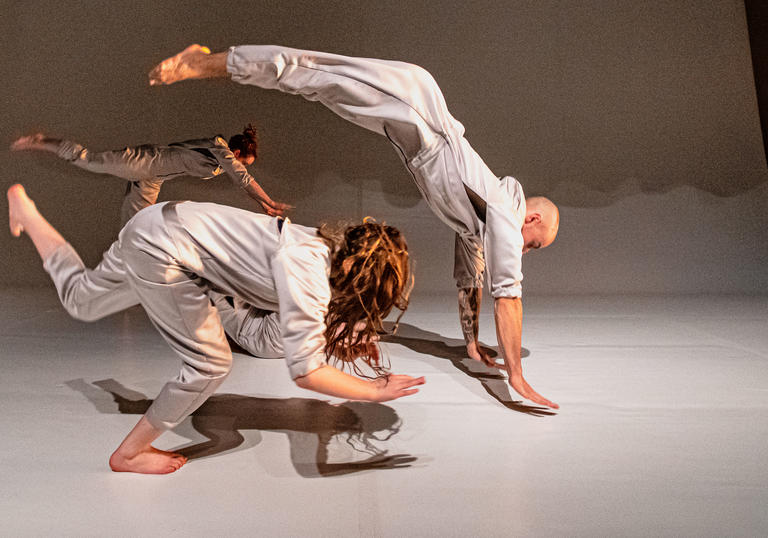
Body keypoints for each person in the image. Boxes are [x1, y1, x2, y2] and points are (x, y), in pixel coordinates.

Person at [148, 44, 560, 409]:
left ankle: (208, 63)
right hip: (414, 104)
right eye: (533, 245)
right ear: (533, 218)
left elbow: (471, 276)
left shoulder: (485, 217)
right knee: (306, 72)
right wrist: (516, 377)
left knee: (308, 77)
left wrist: (470, 341)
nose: (523, 252)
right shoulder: (506, 216)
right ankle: (203, 63)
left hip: (409, 121)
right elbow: (508, 297)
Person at [7, 183, 424, 474]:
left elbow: (307, 327)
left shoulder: (319, 248)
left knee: (81, 300)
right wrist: (372, 391)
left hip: (157, 225)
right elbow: (306, 372)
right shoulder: (307, 270)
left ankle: (27, 211)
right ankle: (129, 455)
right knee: (210, 365)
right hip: (164, 250)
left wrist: (347, 341)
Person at [11, 124, 292, 224]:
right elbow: (243, 178)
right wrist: (267, 202)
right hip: (145, 161)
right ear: (238, 154)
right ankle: (41, 141)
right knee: (90, 161)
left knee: (137, 225)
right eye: (245, 162)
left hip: (154, 177)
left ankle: (125, 280)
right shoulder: (221, 149)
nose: (243, 166)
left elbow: (240, 175)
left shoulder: (220, 158)